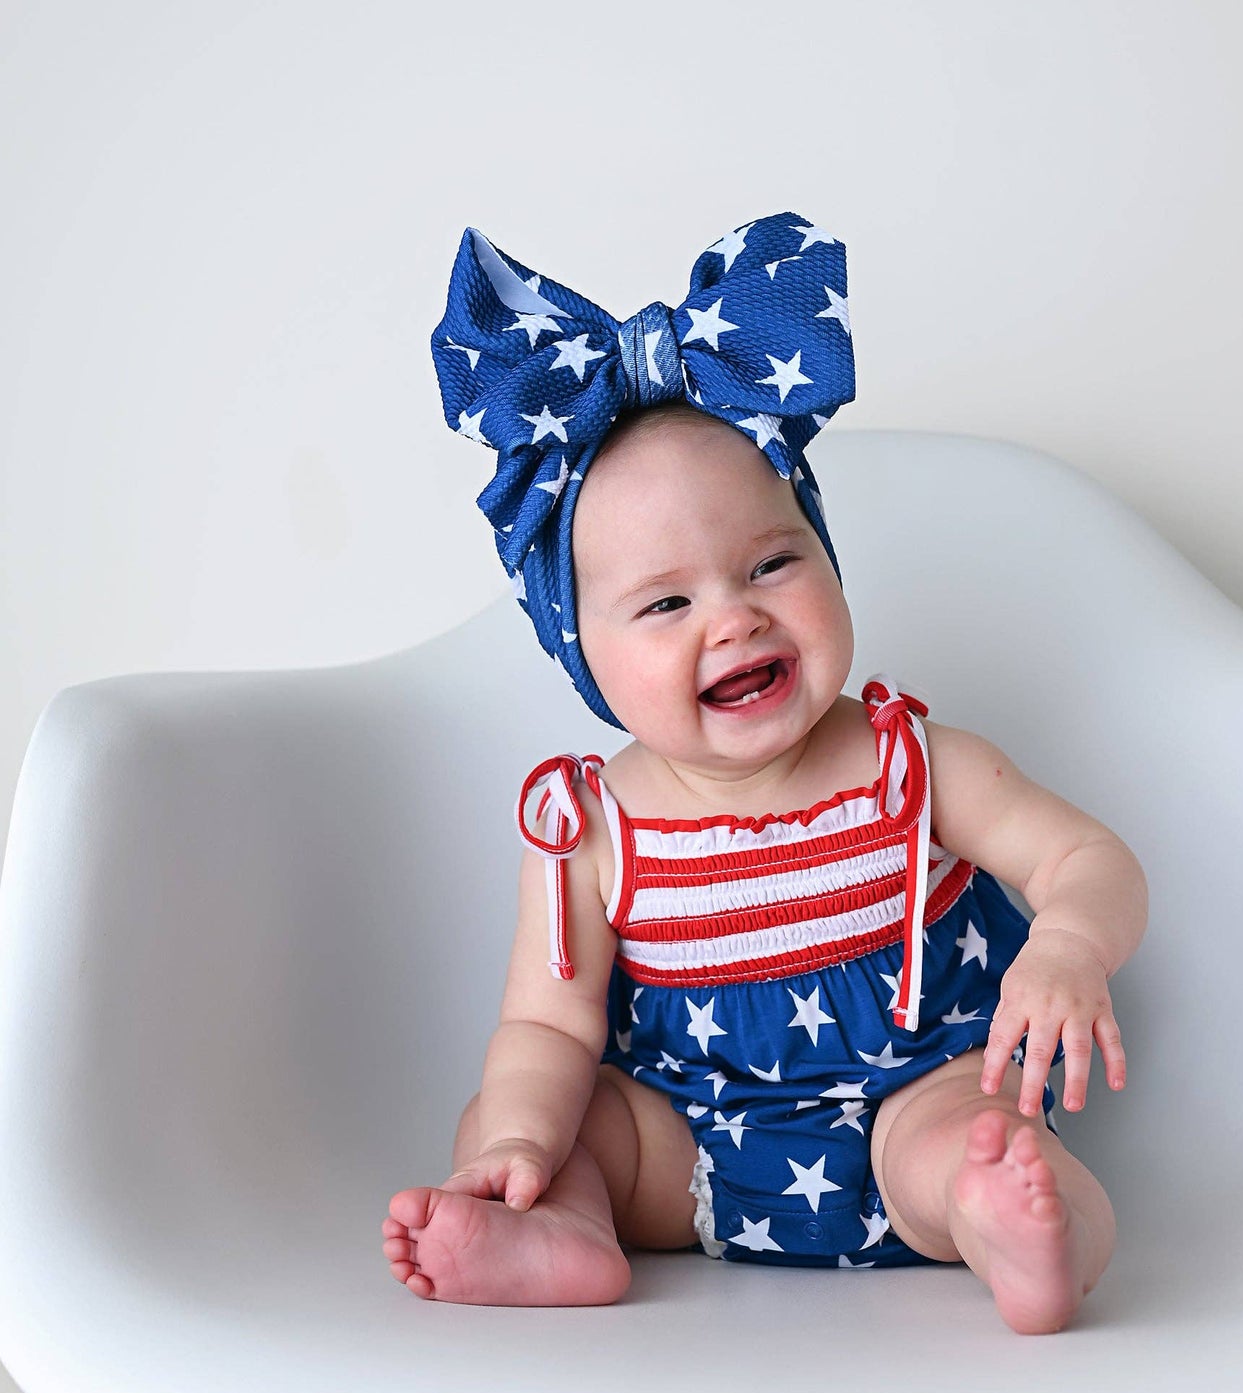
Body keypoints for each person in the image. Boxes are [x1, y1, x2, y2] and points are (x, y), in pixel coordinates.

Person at [381, 212, 1148, 1334]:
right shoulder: (593, 828)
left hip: (911, 1104)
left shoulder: (911, 761)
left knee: (984, 1136)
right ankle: (566, 1223)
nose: (734, 616)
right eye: (665, 602)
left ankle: (1016, 1227)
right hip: (682, 1147)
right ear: (582, 651)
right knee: (553, 1113)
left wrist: (1069, 943)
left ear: (826, 561)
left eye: (771, 562)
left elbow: (1086, 856)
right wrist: (516, 1143)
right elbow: (546, 1026)